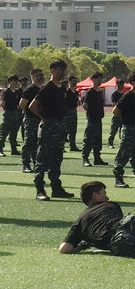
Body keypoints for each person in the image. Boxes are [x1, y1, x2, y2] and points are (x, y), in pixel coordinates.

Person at [29, 59, 74, 200]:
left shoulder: (61, 88)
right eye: (59, 70)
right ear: (52, 70)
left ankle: (56, 188)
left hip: (59, 127)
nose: (62, 73)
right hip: (48, 126)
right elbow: (32, 106)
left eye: (63, 70)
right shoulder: (47, 87)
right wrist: (44, 118)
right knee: (42, 159)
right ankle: (40, 189)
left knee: (56, 159)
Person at [82, 72, 108, 167]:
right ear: (93, 79)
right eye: (98, 79)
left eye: (101, 78)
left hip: (98, 119)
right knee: (88, 140)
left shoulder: (99, 92)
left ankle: (97, 158)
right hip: (92, 119)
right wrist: (91, 113)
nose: (100, 81)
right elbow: (85, 105)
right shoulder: (90, 92)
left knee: (98, 140)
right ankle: (85, 158)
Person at [20, 69, 44, 173]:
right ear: (32, 76)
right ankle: (26, 164)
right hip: (31, 119)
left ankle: (37, 163)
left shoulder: (44, 89)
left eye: (42, 75)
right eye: (38, 75)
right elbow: (22, 104)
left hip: (41, 119)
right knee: (29, 142)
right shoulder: (29, 90)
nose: (41, 77)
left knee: (39, 143)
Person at [0, 75, 21, 156]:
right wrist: (8, 110)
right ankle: (0, 149)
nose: (16, 82)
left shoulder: (16, 92)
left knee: (14, 132)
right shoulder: (6, 91)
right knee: (4, 133)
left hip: (15, 113)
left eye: (16, 80)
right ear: (10, 81)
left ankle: (14, 149)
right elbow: (2, 103)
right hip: (8, 113)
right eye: (14, 80)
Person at [62, 76, 81, 152]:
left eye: (75, 81)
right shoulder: (66, 92)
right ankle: (61, 146)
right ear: (69, 82)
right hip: (67, 112)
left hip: (74, 111)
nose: (75, 83)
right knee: (65, 130)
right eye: (73, 81)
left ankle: (72, 145)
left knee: (73, 130)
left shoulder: (76, 92)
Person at [107, 79, 125, 148]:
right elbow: (114, 104)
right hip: (117, 115)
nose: (122, 86)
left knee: (122, 131)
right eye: (120, 84)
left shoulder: (124, 94)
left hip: (123, 115)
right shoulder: (114, 94)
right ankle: (110, 143)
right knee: (113, 130)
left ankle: (121, 143)